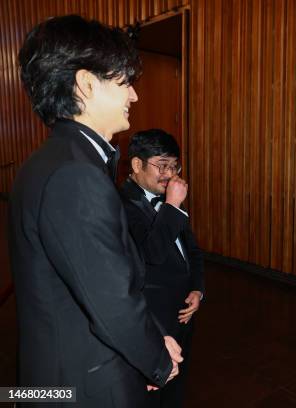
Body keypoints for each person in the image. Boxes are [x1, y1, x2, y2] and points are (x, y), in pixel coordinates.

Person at [9, 15, 182, 407]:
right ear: (86, 83)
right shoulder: (75, 174)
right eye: (124, 82)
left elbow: (102, 279)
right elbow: (111, 300)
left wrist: (154, 339)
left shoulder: (52, 160)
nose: (134, 96)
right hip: (82, 385)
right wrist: (155, 360)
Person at [120, 129, 205, 408]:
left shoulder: (168, 200)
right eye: (162, 165)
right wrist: (172, 206)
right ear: (136, 165)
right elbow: (151, 254)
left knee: (176, 388)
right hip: (153, 321)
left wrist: (197, 289)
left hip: (181, 315)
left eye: (174, 165)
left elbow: (191, 250)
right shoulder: (123, 204)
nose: (170, 174)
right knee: (151, 394)